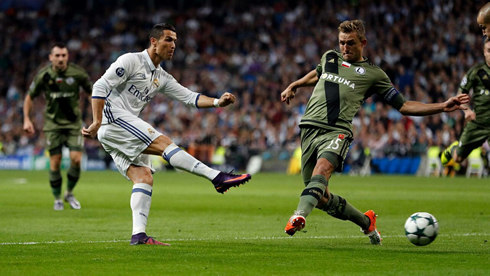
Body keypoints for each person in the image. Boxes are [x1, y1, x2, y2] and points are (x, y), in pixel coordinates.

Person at [280, 19, 469, 244]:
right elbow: (317, 74)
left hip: (337, 131)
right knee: (320, 197)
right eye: (341, 43)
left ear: (363, 43)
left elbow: (404, 105)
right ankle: (366, 222)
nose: (344, 48)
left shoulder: (373, 75)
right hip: (309, 129)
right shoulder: (330, 57)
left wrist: (442, 106)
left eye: (350, 43)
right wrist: (295, 84)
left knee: (323, 168)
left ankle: (298, 215)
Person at [82, 23, 251, 246]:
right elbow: (99, 86)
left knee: (144, 177)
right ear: (154, 41)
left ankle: (139, 235)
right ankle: (217, 177)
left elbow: (190, 97)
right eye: (168, 40)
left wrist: (218, 101)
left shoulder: (161, 77)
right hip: (113, 118)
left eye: (175, 42)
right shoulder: (130, 61)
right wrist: (96, 121)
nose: (173, 46)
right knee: (164, 143)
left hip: (121, 128)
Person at [23, 42, 93, 211]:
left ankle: (69, 192)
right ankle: (57, 198)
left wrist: (96, 118)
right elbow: (29, 97)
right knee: (55, 162)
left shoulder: (77, 73)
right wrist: (27, 119)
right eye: (57, 55)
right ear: (51, 57)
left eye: (64, 55)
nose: (61, 59)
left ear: (67, 56)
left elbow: (93, 93)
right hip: (52, 125)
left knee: (76, 160)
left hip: (74, 124)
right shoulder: (44, 75)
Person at [441, 6, 490, 170]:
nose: (483, 32)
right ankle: (455, 148)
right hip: (478, 123)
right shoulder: (476, 72)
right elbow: (460, 93)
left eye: (484, 27)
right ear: (484, 53)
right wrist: (467, 111)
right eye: (488, 51)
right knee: (458, 158)